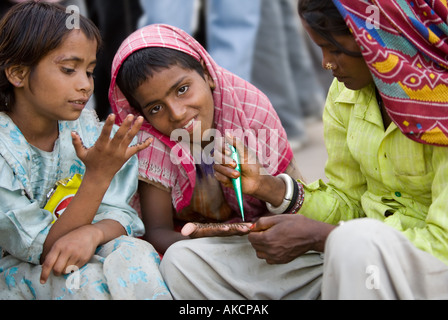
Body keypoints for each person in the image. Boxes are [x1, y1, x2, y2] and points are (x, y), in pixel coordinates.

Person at [158, 0, 448, 300]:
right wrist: (266, 186)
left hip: (429, 272)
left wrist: (322, 237)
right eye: (320, 47)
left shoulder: (443, 110)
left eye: (335, 49)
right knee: (187, 262)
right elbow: (347, 202)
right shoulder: (345, 94)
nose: (326, 63)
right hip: (354, 263)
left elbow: (442, 245)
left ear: (385, 37)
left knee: (355, 243)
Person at [0, 2, 171, 300]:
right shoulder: (4, 149)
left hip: (86, 246)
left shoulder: (89, 131)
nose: (85, 85)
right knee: (86, 280)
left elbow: (121, 215)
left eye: (90, 71)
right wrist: (98, 176)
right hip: (18, 269)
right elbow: (41, 248)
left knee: (134, 252)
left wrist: (93, 233)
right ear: (17, 73)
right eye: (69, 70)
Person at [109, 24, 300, 254]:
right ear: (142, 114)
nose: (177, 113)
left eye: (182, 89)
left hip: (266, 238)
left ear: (207, 74)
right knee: (175, 261)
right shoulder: (150, 141)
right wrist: (212, 242)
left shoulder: (250, 112)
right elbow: (157, 232)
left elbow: (295, 201)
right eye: (156, 108)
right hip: (195, 249)